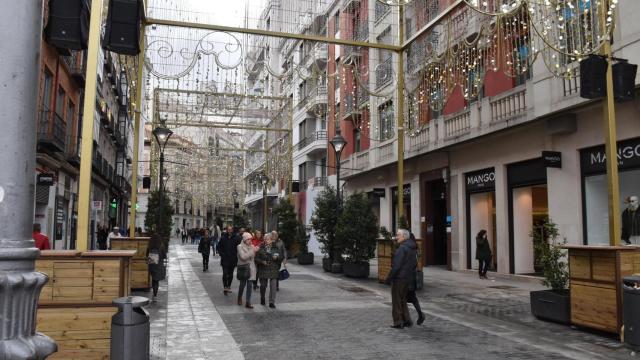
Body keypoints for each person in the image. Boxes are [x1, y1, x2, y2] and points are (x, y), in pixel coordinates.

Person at [385, 228, 417, 329]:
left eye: (398, 235)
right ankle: (407, 320)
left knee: (396, 300)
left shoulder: (402, 248)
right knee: (402, 299)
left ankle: (398, 322)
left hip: (399, 278)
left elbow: (396, 266)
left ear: (404, 236)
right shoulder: (412, 248)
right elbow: (415, 264)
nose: (396, 237)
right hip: (407, 278)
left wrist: (389, 278)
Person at [255, 233, 284, 308]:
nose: (267, 240)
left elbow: (281, 257)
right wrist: (262, 262)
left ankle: (272, 302)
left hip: (273, 268)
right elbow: (256, 259)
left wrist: (277, 258)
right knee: (263, 286)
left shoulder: (276, 247)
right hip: (263, 269)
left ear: (272, 240)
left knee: (273, 287)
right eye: (266, 239)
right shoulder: (260, 247)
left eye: (269, 239)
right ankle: (262, 297)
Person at [406, 233, 425, 325]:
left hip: (408, 276)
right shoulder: (416, 248)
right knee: (412, 297)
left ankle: (407, 319)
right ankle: (420, 315)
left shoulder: (410, 249)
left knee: (404, 297)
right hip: (412, 275)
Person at [217, 225, 241, 294]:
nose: (229, 231)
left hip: (233, 259)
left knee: (230, 274)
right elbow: (219, 247)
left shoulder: (236, 238)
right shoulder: (223, 238)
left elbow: (239, 247)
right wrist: (222, 254)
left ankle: (229, 286)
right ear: (227, 230)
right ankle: (225, 286)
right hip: (225, 259)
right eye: (228, 229)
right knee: (225, 274)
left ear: (232, 230)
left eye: (231, 229)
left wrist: (237, 255)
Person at [237, 232, 257, 309]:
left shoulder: (252, 246)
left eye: (250, 239)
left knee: (249, 286)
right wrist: (252, 251)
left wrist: (254, 251)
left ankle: (248, 302)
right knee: (242, 285)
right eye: (248, 239)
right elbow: (243, 257)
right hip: (243, 268)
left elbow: (252, 258)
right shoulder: (239, 246)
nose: (250, 241)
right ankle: (239, 297)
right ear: (244, 239)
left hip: (251, 268)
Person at [147, 234, 167, 302]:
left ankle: (154, 294)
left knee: (153, 279)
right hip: (158, 265)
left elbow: (147, 255)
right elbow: (164, 256)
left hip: (151, 264)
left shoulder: (150, 246)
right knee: (156, 280)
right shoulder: (161, 246)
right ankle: (155, 295)